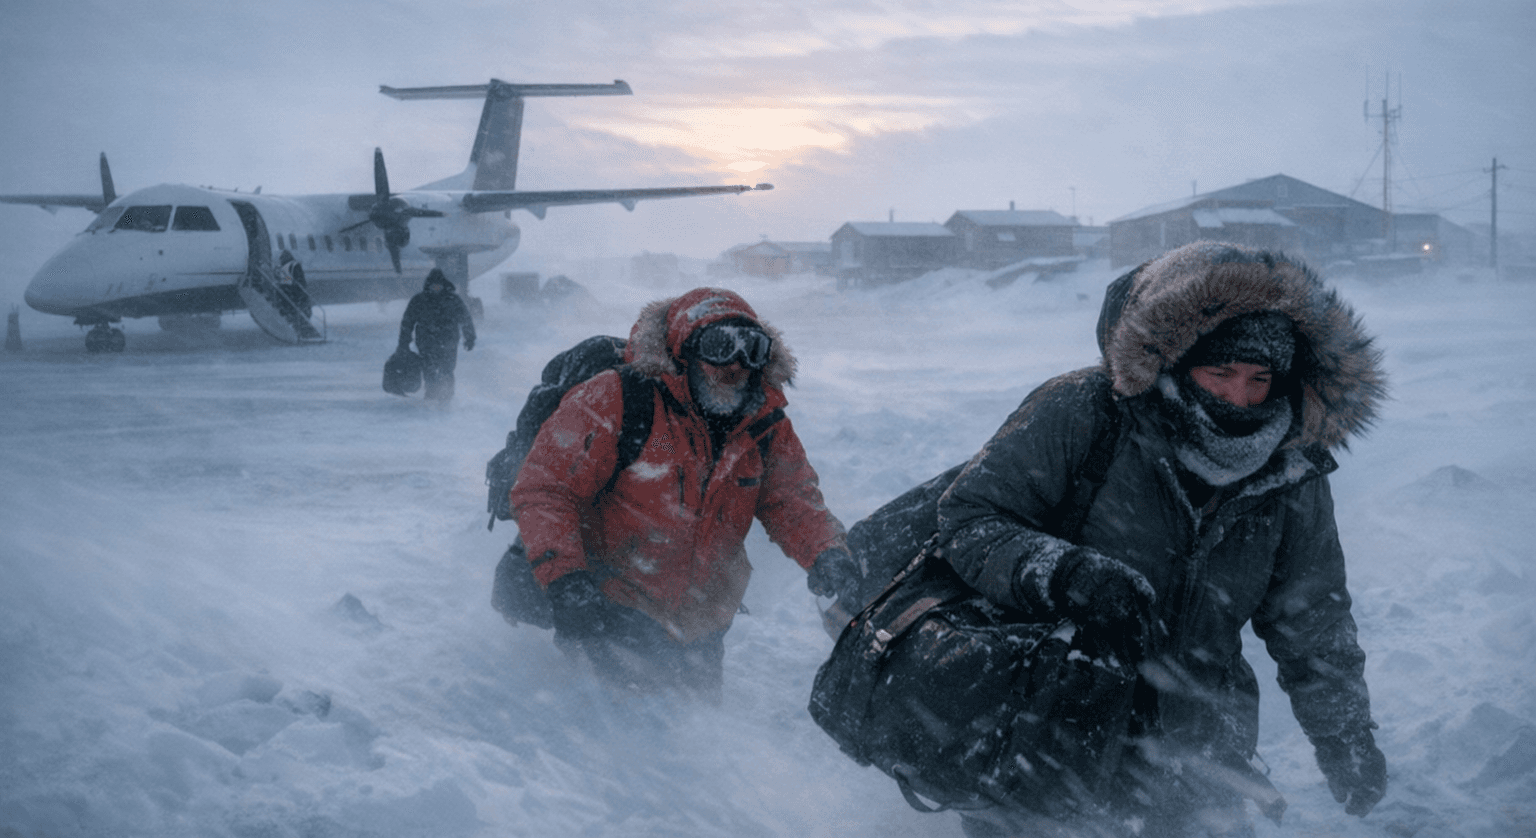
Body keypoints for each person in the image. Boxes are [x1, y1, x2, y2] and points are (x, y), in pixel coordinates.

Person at [938, 241, 1390, 837]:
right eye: (1221, 372)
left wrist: (1345, 737)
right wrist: (1062, 573)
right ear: (1174, 360)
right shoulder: (1083, 414)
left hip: (1198, 751)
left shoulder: (1289, 468)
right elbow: (970, 520)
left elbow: (1313, 621)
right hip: (1042, 729)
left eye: (1260, 379)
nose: (1240, 398)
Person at [507, 287, 860, 697]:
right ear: (683, 351)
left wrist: (827, 553)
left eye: (753, 349)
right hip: (609, 609)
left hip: (701, 624)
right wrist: (566, 579)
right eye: (719, 346)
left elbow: (793, 501)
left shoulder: (765, 426)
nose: (735, 365)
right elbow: (546, 489)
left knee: (688, 737)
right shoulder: (619, 399)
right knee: (618, 735)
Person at [396, 268, 476, 401]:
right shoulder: (419, 300)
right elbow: (407, 322)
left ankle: (447, 396)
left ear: (444, 285)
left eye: (439, 285)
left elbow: (465, 319)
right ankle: (431, 394)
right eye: (434, 285)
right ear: (429, 285)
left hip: (448, 342)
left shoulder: (453, 300)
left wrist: (470, 337)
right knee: (429, 370)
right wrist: (403, 343)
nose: (436, 288)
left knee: (447, 370)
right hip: (427, 343)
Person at [275, 250, 311, 319]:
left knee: (288, 305)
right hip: (293, 289)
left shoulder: (281, 267)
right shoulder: (294, 264)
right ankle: (302, 315)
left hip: (284, 289)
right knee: (301, 302)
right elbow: (300, 278)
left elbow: (279, 277)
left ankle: (291, 315)